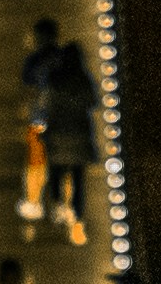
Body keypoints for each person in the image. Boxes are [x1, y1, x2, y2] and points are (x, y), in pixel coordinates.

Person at [19, 19, 101, 250]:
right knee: (75, 177)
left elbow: (33, 90)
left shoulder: (41, 67)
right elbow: (93, 101)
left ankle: (44, 205)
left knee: (44, 167)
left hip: (50, 128)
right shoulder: (76, 74)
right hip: (78, 136)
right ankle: (73, 217)